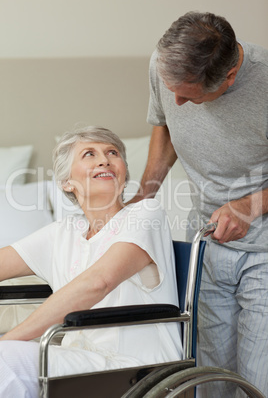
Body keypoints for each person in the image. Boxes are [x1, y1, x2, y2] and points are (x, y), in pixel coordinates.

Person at [129, 11, 268, 397]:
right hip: (206, 242)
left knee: (257, 381)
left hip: (264, 251)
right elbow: (165, 128)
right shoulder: (164, 65)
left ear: (230, 77)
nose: (176, 100)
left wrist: (250, 206)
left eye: (189, 95)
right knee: (209, 378)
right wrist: (144, 198)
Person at [0, 126, 182, 398]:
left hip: (138, 369)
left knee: (7, 359)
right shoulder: (63, 232)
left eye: (113, 153)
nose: (105, 159)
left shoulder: (145, 214)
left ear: (123, 173)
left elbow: (97, 283)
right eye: (89, 154)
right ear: (66, 182)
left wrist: (7, 340)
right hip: (75, 362)